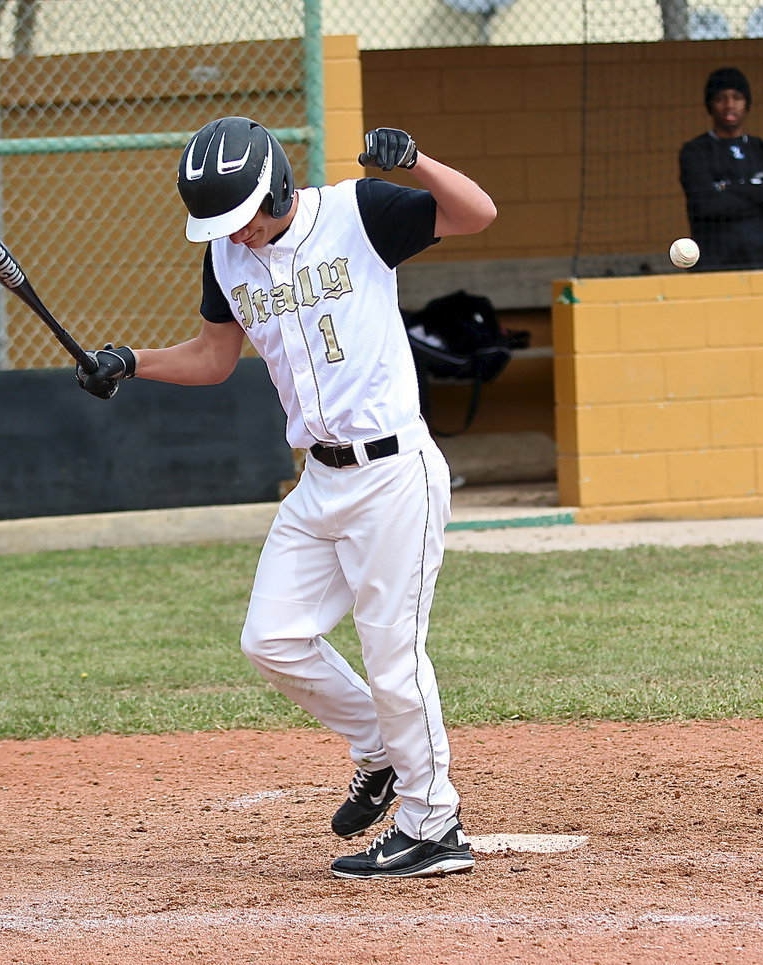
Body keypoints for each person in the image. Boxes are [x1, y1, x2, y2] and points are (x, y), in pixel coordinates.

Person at [75, 118, 496, 879]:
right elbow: (211, 357)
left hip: (394, 473)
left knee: (394, 656)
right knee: (271, 638)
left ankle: (436, 824)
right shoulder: (227, 256)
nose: (236, 232)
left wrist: (421, 161)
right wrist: (130, 360)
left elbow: (477, 213)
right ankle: (381, 748)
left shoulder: (358, 212)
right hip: (320, 478)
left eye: (245, 215)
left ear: (277, 186)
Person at [678, 67, 763, 271]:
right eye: (721, 98)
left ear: (747, 103)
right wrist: (761, 194)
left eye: (737, 97)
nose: (729, 105)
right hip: (713, 265)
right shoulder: (695, 151)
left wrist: (732, 188)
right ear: (710, 104)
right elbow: (706, 204)